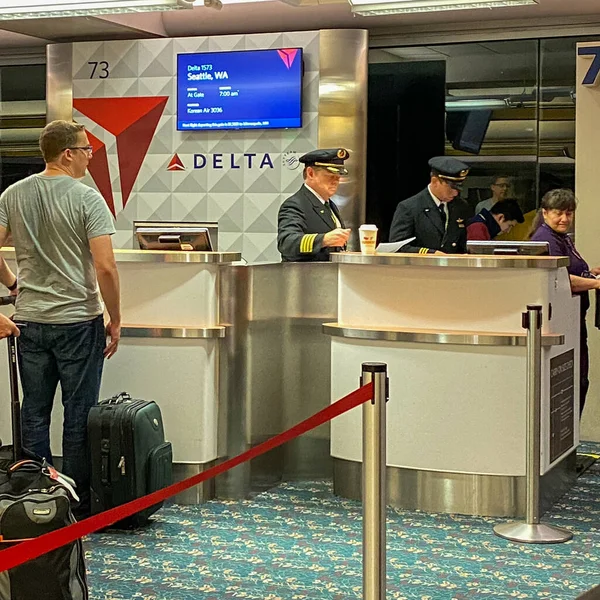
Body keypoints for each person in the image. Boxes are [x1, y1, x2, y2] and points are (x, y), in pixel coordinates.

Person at [0, 119, 121, 518]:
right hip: (77, 321)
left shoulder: (12, 195)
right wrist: (115, 317)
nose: (90, 156)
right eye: (86, 149)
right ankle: (75, 506)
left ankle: (35, 500)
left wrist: (13, 282)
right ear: (67, 153)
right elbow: (105, 267)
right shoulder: (87, 198)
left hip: (29, 322)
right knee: (78, 413)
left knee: (33, 411)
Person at [530, 189, 600, 416]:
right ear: (545, 212)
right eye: (559, 213)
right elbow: (559, 279)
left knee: (579, 381)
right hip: (560, 322)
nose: (564, 219)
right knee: (570, 384)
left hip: (573, 320)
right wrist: (595, 284)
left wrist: (590, 274)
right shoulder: (545, 239)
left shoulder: (562, 238)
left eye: (569, 214)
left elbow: (571, 272)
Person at [277, 148, 351, 262]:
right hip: (304, 276)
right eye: (331, 175)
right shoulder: (295, 205)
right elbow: (287, 243)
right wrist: (323, 240)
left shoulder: (329, 205)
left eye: (338, 176)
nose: (336, 180)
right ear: (310, 173)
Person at [389, 156, 471, 254]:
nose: (455, 193)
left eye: (458, 189)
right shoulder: (410, 207)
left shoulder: (461, 206)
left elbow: (462, 244)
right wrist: (431, 253)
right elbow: (397, 246)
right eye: (451, 188)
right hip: (421, 267)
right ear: (435, 181)